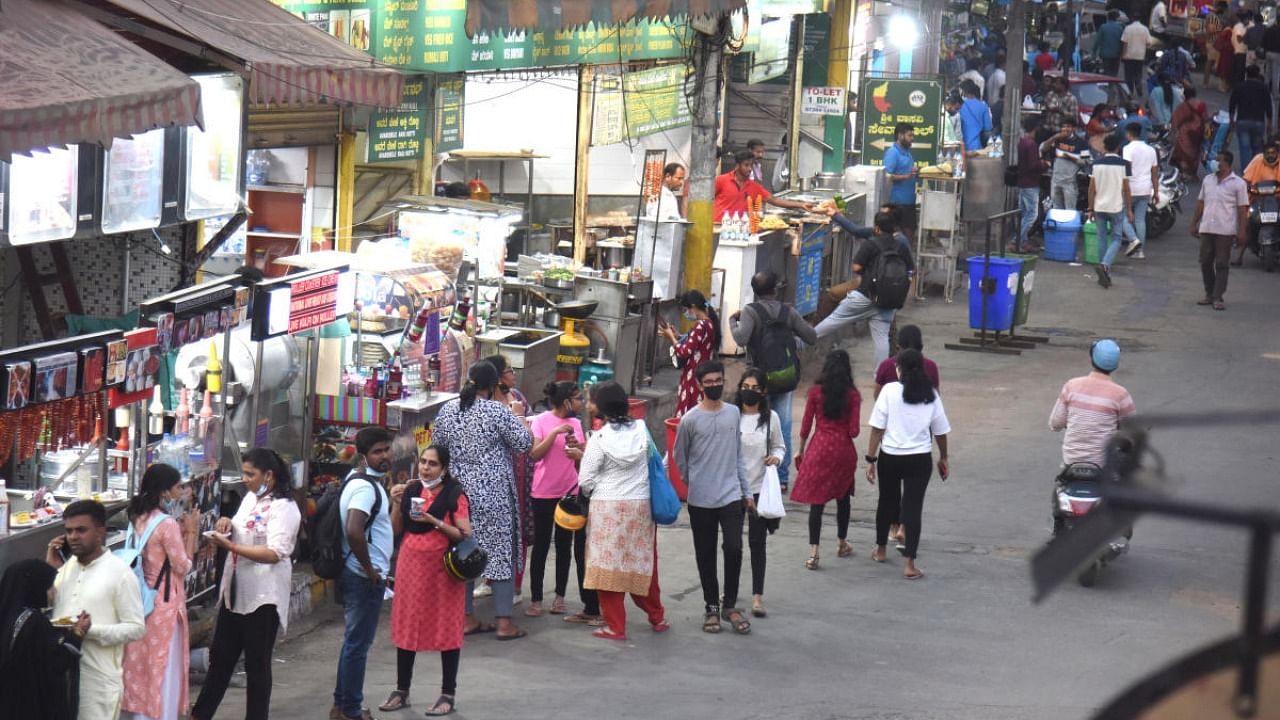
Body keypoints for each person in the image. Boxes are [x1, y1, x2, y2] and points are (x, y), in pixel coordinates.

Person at [192, 449, 300, 720]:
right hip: (235, 593)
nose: (245, 479)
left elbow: (275, 552)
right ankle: (200, 714)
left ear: (269, 475)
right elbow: (243, 527)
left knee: (257, 665)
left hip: (263, 597)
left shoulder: (285, 508)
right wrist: (228, 525)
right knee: (220, 659)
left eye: (251, 474)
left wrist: (232, 546)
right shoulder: (251, 498)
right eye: (245, 473)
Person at [432, 361, 534, 639]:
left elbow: (436, 448)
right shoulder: (496, 411)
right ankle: (504, 623)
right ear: (492, 386)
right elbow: (524, 444)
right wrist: (520, 416)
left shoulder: (448, 410)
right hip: (494, 495)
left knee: (464, 551)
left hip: (458, 495)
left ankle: (466, 618)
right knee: (500, 554)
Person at [380, 445, 472, 717]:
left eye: (432, 464)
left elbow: (463, 534)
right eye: (423, 462)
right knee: (408, 624)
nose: (425, 468)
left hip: (443, 570)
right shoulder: (411, 490)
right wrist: (396, 504)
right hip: (410, 566)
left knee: (446, 625)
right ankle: (401, 690)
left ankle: (447, 693)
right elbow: (396, 530)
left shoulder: (455, 493)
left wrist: (433, 520)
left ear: (444, 468)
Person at [578, 381, 668, 641]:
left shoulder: (599, 439)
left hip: (607, 507)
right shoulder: (641, 429)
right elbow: (653, 459)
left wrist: (594, 490)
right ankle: (657, 616)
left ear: (602, 407)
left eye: (591, 400)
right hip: (640, 506)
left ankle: (616, 626)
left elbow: (585, 481)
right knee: (640, 564)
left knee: (607, 569)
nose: (588, 404)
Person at [673, 360, 753, 636]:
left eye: (718, 380)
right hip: (701, 499)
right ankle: (711, 607)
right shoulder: (690, 420)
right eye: (709, 382)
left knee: (734, 549)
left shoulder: (733, 413)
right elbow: (679, 457)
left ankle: (730, 604)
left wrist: (746, 491)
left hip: (731, 494)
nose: (715, 385)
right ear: (699, 385)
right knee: (705, 554)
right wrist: (692, 480)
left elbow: (738, 455)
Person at [46, 500, 145, 720]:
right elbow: (53, 611)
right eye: (69, 531)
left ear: (100, 531)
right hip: (60, 676)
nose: (73, 536)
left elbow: (136, 628)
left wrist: (91, 631)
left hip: (97, 683)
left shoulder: (120, 573)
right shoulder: (66, 568)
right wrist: (50, 573)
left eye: (81, 530)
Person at [866, 349, 952, 580]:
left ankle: (881, 550)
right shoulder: (931, 394)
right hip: (919, 458)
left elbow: (877, 428)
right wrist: (944, 457)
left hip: (890, 456)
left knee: (886, 502)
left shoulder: (888, 390)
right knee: (913, 508)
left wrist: (870, 459)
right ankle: (910, 564)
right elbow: (941, 432)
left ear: (899, 369)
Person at [121, 464, 198, 720]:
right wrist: (192, 532)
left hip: (139, 600)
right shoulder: (166, 525)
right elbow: (183, 565)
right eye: (177, 487)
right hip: (164, 605)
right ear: (165, 491)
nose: (181, 491)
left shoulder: (137, 517)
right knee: (163, 665)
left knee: (139, 664)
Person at [729, 270, 817, 492]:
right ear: (775, 289)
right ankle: (782, 477)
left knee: (754, 424)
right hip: (785, 376)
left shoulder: (751, 311)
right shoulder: (788, 311)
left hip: (758, 379)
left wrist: (732, 320)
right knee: (783, 425)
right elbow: (811, 337)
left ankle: (755, 475)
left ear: (755, 291)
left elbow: (741, 339)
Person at [330, 427, 395, 720]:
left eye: (386, 449)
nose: (384, 456)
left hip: (360, 573)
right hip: (362, 577)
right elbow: (354, 530)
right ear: (364, 455)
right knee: (357, 646)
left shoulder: (362, 481)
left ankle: (342, 706)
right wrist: (370, 570)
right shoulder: (364, 488)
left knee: (353, 643)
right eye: (377, 452)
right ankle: (351, 710)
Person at [524, 381, 594, 620]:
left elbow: (582, 460)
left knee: (565, 546)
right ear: (565, 401)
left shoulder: (576, 424)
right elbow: (534, 455)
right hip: (543, 492)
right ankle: (536, 599)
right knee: (542, 546)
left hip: (569, 491)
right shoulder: (541, 421)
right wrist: (554, 433)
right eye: (577, 399)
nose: (581, 403)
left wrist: (577, 448)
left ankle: (560, 597)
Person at [815, 209, 915, 366]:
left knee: (833, 321)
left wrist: (868, 274)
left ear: (876, 228)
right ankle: (880, 376)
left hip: (865, 294)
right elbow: (910, 269)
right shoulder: (900, 244)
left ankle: (800, 343)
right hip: (887, 300)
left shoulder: (872, 242)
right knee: (881, 338)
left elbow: (856, 267)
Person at [791, 350, 861, 571]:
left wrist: (800, 450)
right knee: (843, 498)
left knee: (817, 503)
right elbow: (854, 431)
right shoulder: (853, 396)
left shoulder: (815, 392)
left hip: (819, 449)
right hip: (843, 452)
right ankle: (841, 542)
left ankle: (813, 553)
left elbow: (805, 426)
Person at [873, 325, 941, 547]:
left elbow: (876, 396)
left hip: (891, 440)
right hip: (920, 440)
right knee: (913, 495)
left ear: (898, 346)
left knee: (889, 493)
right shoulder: (930, 367)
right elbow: (936, 402)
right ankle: (904, 530)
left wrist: (870, 458)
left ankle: (890, 531)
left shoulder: (886, 367)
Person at [0, 559, 88, 720]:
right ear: (35, 587)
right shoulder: (35, 622)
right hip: (28, 707)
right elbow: (56, 662)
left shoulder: (6, 616)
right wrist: (77, 633)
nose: (53, 592)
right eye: (49, 586)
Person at [734, 367, 784, 617]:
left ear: (763, 392)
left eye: (755, 388)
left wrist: (776, 458)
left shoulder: (771, 418)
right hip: (733, 490)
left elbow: (780, 446)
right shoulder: (732, 416)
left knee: (757, 544)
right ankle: (729, 595)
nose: (750, 393)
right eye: (746, 387)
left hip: (758, 490)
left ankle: (757, 597)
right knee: (732, 545)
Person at [482, 353, 531, 601]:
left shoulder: (518, 398)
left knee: (516, 525)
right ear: (497, 377)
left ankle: (515, 584)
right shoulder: (488, 403)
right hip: (492, 475)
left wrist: (520, 416)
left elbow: (527, 437)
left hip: (519, 471)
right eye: (509, 370)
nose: (514, 374)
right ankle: (490, 578)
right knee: (490, 527)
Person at [1049, 339, 1136, 469]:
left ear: (1092, 358)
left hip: (1071, 462)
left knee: (1060, 484)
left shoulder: (1071, 386)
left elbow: (1056, 423)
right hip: (1102, 465)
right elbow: (1132, 428)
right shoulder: (1120, 394)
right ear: (1115, 364)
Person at [1190, 150, 1250, 310]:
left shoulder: (1238, 184)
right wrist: (1194, 223)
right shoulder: (1208, 180)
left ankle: (1218, 296)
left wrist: (1242, 231)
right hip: (1207, 227)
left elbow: (1242, 209)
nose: (1214, 163)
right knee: (1205, 261)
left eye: (1218, 160)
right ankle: (1209, 293)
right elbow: (1201, 203)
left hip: (1225, 229)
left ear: (1226, 163)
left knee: (1222, 263)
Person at [660, 289, 721, 418]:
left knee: (688, 413)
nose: (685, 314)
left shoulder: (701, 325)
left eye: (685, 310)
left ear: (693, 307)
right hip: (701, 373)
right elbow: (697, 344)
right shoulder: (709, 324)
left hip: (693, 376)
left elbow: (684, 352)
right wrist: (678, 336)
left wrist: (671, 337)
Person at [713, 149, 814, 221]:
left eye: (751, 165)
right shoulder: (721, 180)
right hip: (717, 226)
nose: (749, 169)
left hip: (740, 230)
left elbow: (774, 200)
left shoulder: (754, 187)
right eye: (746, 165)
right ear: (738, 165)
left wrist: (801, 205)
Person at [1088, 134, 1134, 289]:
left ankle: (1103, 269)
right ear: (1118, 147)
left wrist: (1090, 208)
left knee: (1102, 238)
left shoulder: (1096, 163)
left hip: (1099, 206)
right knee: (1116, 239)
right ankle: (1105, 265)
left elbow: (1091, 189)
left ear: (1104, 147)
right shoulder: (1124, 164)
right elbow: (1126, 189)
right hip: (1116, 207)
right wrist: (1129, 209)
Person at [1121, 123, 1159, 260]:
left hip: (1131, 187)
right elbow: (1154, 173)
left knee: (1122, 216)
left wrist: (1122, 188)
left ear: (1128, 134)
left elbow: (1126, 170)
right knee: (1140, 220)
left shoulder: (1127, 149)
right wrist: (1156, 192)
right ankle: (1140, 251)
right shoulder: (1151, 150)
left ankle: (1133, 239)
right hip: (1145, 188)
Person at [1229, 64, 1272, 168]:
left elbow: (1232, 104)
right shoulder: (1263, 87)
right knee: (1257, 148)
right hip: (1258, 121)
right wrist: (1269, 123)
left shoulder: (1239, 86)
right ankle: (1255, 171)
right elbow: (1268, 106)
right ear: (1258, 74)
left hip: (1242, 120)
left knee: (1244, 148)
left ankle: (1246, 172)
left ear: (1246, 74)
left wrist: (1232, 121)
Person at [1041, 118, 1089, 210]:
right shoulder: (1057, 140)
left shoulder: (1081, 143)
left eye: (1068, 127)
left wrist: (1071, 158)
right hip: (1055, 180)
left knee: (1070, 210)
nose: (1065, 129)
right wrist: (1054, 138)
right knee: (1056, 209)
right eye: (1063, 127)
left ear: (1073, 128)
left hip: (1070, 182)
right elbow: (1043, 148)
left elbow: (1086, 162)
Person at [1016, 116, 1048, 252]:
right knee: (1032, 215)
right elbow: (1033, 165)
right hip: (1030, 183)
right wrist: (1044, 165)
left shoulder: (1022, 142)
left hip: (1022, 182)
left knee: (1024, 214)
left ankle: (1021, 241)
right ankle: (1018, 241)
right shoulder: (1031, 144)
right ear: (1036, 128)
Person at [882, 122, 920, 236]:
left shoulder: (907, 153)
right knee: (899, 236)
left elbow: (908, 172)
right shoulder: (892, 153)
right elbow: (887, 176)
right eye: (909, 136)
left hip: (909, 201)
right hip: (897, 203)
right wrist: (906, 176)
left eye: (912, 136)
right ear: (900, 136)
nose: (912, 139)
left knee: (910, 232)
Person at [1172, 86, 1208, 177]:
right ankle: (1192, 173)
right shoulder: (1201, 104)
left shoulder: (1183, 106)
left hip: (1185, 132)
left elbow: (1176, 120)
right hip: (1199, 131)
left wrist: (1173, 131)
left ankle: (1184, 172)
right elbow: (1206, 118)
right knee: (1195, 152)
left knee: (1183, 152)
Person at [959, 80, 993, 157]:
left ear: (963, 92)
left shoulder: (959, 106)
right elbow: (988, 128)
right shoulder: (983, 106)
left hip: (961, 148)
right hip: (976, 147)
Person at [1120, 14, 1151, 97]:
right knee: (1138, 74)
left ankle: (1130, 91)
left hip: (1128, 56)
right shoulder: (1145, 29)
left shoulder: (1128, 28)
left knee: (1128, 75)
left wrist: (1123, 55)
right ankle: (1138, 87)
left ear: (1132, 19)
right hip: (1140, 56)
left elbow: (1124, 42)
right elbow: (1148, 43)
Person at [1096, 11, 1125, 77]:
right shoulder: (1120, 28)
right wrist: (1121, 54)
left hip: (1105, 55)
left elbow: (1097, 41)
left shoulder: (1103, 27)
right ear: (1116, 18)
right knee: (1114, 74)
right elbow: (1122, 42)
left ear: (1108, 17)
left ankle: (1108, 85)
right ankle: (1112, 85)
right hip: (1116, 55)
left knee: (1106, 73)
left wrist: (1094, 53)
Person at [1264, 18, 1280, 104]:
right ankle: (1275, 94)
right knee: (1276, 74)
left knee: (1267, 73)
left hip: (1268, 52)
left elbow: (1264, 40)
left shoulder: (1269, 29)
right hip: (1277, 54)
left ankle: (1265, 91)